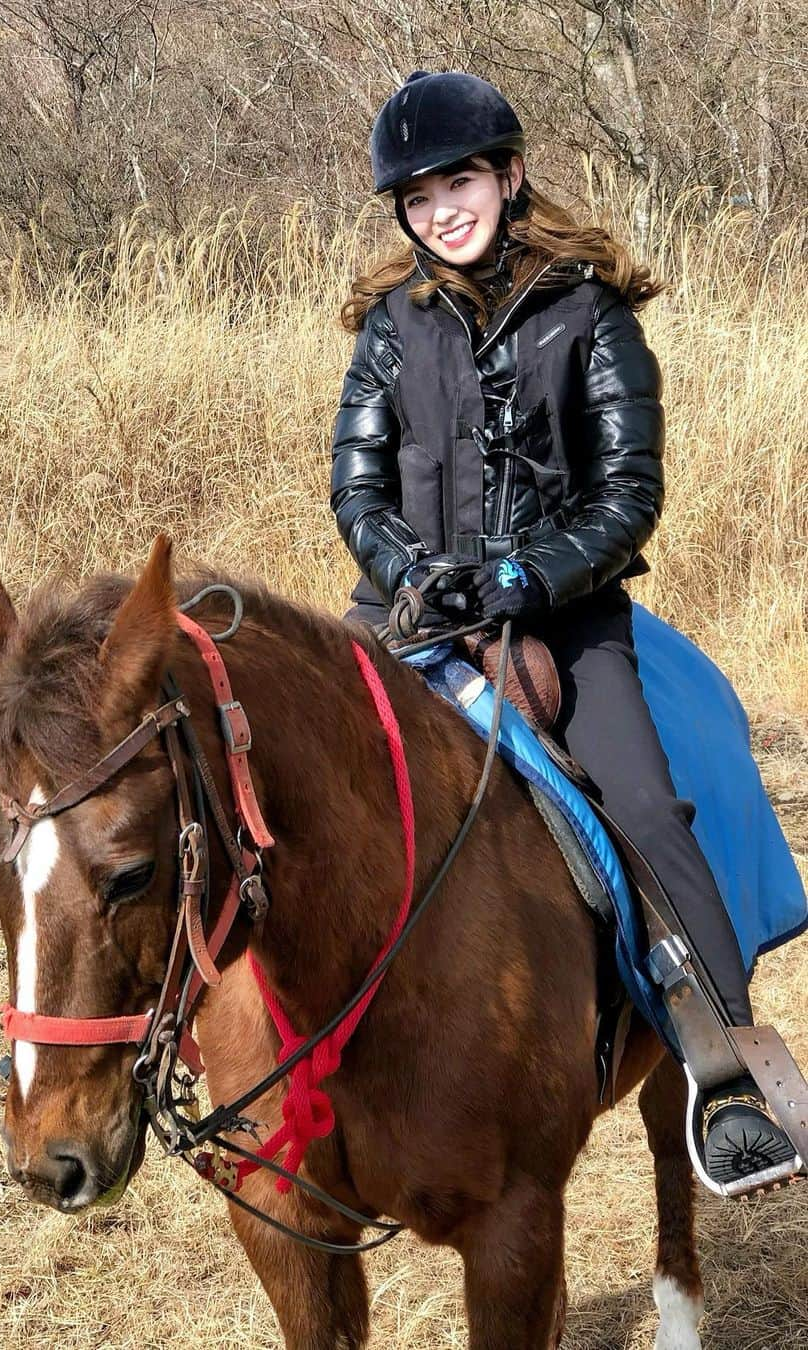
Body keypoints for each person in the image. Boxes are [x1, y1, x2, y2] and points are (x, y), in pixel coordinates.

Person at [329, 69, 798, 1189]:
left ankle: (724, 1065)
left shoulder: (589, 315)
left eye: (459, 182)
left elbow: (628, 494)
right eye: (418, 195)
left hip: (567, 616)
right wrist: (412, 574)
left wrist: (518, 578)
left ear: (510, 173)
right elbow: (358, 488)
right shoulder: (390, 328)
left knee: (642, 803)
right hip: (407, 609)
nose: (441, 209)